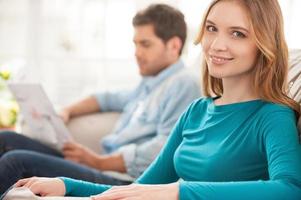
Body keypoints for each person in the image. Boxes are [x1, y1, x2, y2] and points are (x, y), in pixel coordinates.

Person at [13, 0, 301, 199]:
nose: (216, 44)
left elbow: (290, 189)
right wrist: (65, 185)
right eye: (212, 28)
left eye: (238, 34)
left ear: (263, 45)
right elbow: (140, 188)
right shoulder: (197, 111)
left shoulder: (272, 115)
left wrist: (177, 192)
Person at [0, 4, 200, 193]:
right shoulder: (150, 83)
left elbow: (164, 148)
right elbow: (106, 99)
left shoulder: (183, 84)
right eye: (136, 44)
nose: (137, 53)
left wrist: (97, 161)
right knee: (6, 139)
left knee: (15, 161)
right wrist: (67, 111)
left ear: (174, 46)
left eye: (145, 45)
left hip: (127, 181)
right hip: (102, 167)